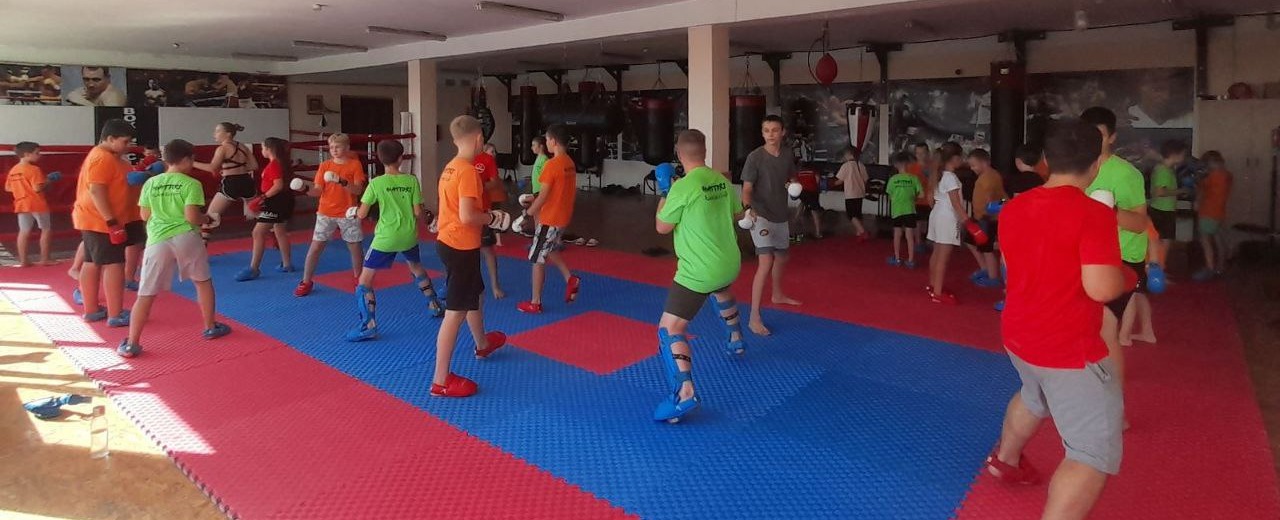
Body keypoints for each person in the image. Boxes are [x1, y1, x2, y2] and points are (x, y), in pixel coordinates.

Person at [987, 119, 1131, 520]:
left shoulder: (1015, 207)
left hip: (1019, 335)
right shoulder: (1093, 214)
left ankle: (1006, 459)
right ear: (1097, 164)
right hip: (1068, 349)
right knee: (1089, 454)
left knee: (1035, 394)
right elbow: (1102, 289)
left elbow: (1015, 265)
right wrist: (1124, 275)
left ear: (1046, 161)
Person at [651, 129, 745, 423]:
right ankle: (736, 338)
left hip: (699, 271)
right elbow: (736, 215)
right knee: (721, 288)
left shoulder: (682, 187)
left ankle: (685, 392)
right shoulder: (722, 181)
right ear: (704, 151)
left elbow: (662, 227)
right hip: (729, 262)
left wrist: (665, 192)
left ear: (679, 155)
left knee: (669, 329)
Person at [119, 139, 232, 357]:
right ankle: (210, 327)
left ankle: (132, 343)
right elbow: (192, 217)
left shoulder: (151, 183)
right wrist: (207, 218)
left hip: (157, 239)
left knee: (146, 292)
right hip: (186, 236)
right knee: (202, 282)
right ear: (187, 159)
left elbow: (144, 215)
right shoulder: (191, 184)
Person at [432, 115, 511, 397]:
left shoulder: (450, 167)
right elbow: (467, 216)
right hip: (460, 246)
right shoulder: (466, 172)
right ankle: (440, 380)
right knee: (455, 312)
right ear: (479, 139)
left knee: (475, 294)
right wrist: (493, 217)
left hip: (451, 241)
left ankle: (482, 344)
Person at [1081, 106, 1150, 403]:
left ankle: (1114, 407)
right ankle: (1089, 390)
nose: (1092, 141)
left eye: (1099, 135)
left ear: (1112, 137)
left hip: (1122, 259)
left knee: (1105, 328)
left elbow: (1140, 223)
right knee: (1085, 326)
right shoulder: (1077, 169)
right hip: (1086, 256)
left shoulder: (1126, 174)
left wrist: (1110, 212)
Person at [344, 140, 446, 341]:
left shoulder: (376, 183)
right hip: (409, 235)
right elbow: (418, 212)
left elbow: (362, 214)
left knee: (364, 281)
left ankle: (368, 326)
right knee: (416, 267)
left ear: (380, 159)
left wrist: (353, 211)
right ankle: (434, 304)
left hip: (386, 238)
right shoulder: (411, 180)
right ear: (401, 159)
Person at [72, 119, 138, 326]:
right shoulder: (102, 158)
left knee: (92, 262)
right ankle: (115, 314)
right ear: (110, 139)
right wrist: (111, 221)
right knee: (114, 264)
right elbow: (96, 190)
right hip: (102, 220)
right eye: (125, 142)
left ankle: (91, 310)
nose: (128, 146)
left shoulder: (110, 157)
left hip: (94, 218)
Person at [741, 115, 802, 335]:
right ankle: (754, 317)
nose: (771, 134)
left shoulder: (787, 155)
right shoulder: (755, 157)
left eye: (775, 130)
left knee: (782, 257)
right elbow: (747, 188)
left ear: (783, 132)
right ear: (762, 133)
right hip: (760, 215)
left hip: (780, 214)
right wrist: (748, 208)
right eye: (766, 130)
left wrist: (794, 186)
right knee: (766, 261)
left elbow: (791, 178)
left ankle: (777, 294)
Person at [517, 124, 581, 314]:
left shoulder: (552, 165)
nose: (546, 143)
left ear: (553, 141)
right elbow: (556, 192)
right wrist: (533, 199)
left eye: (546, 139)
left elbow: (544, 196)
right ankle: (570, 278)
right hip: (562, 216)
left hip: (550, 218)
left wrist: (526, 215)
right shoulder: (569, 163)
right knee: (549, 248)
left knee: (537, 259)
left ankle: (535, 302)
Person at [294, 133, 366, 297]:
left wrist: (341, 181)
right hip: (325, 212)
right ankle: (306, 281)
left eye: (337, 146)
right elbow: (317, 190)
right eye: (331, 147)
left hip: (348, 213)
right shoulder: (325, 165)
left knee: (354, 247)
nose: (334, 150)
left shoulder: (354, 165)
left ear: (347, 148)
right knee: (316, 247)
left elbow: (357, 190)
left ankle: (360, 279)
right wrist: (304, 188)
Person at [235, 137, 295, 281]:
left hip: (275, 202)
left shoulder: (274, 165)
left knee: (257, 232)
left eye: (263, 148)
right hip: (283, 200)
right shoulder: (280, 163)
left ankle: (254, 268)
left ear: (269, 149)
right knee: (280, 231)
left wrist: (262, 197)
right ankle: (287, 264)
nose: (262, 150)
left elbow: (278, 185)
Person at [194, 122, 259, 241]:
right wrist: (234, 168)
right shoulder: (242, 146)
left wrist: (192, 163)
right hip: (246, 181)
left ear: (228, 134)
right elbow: (254, 166)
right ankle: (277, 235)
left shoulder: (222, 149)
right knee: (261, 214)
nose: (214, 134)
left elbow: (212, 168)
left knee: (211, 216)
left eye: (218, 131)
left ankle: (203, 245)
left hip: (231, 183)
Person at [927, 142, 968, 305]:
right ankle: (937, 293)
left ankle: (933, 285)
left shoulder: (939, 175)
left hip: (937, 214)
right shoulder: (950, 177)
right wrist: (967, 221)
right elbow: (956, 203)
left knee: (937, 253)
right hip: (947, 217)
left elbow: (930, 199)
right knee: (943, 257)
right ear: (955, 158)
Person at [5, 141, 58, 266]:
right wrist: (48, 180)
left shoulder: (13, 170)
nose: (39, 155)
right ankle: (45, 259)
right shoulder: (34, 169)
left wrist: (21, 189)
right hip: (36, 203)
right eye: (37, 153)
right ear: (27, 154)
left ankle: (24, 260)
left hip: (21, 203)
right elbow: (37, 188)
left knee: (23, 231)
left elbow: (8, 188)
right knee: (45, 229)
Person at [965, 149, 1008, 287]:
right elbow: (1002, 197)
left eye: (974, 165)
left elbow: (993, 200)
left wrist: (991, 211)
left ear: (984, 163)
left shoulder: (989, 178)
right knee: (970, 241)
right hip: (982, 217)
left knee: (986, 249)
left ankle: (993, 276)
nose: (972, 169)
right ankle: (986, 269)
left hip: (987, 219)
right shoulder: (991, 175)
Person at [1193, 151, 1232, 281]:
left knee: (1205, 241)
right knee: (1219, 240)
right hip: (1220, 212)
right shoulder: (1227, 176)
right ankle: (1220, 267)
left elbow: (1201, 192)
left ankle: (1209, 268)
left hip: (1208, 212)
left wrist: (1197, 200)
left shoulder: (1210, 177)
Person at [1149, 140, 1185, 274]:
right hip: (1162, 211)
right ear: (1174, 155)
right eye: (1182, 154)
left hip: (1163, 210)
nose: (1183, 157)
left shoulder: (1165, 169)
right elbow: (1160, 192)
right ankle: (1159, 272)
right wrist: (1180, 191)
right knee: (1163, 243)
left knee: (1160, 243)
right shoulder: (1163, 170)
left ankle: (1158, 271)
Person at [475, 142, 506, 299]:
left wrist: (478, 186)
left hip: (483, 209)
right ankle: (456, 284)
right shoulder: (461, 160)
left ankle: (495, 285)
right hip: (464, 211)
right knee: (462, 251)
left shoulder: (487, 159)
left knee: (487, 249)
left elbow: (495, 182)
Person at [885, 152, 923, 268]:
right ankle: (910, 260)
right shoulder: (914, 178)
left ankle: (897, 259)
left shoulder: (893, 179)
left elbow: (890, 196)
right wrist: (912, 198)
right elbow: (921, 195)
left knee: (897, 234)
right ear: (908, 164)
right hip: (910, 210)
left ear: (896, 165)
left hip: (897, 210)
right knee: (909, 235)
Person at [830, 145, 870, 240]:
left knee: (851, 215)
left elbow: (840, 181)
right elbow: (865, 179)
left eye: (844, 155)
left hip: (850, 194)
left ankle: (862, 232)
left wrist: (831, 183)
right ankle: (859, 232)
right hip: (860, 193)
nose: (844, 157)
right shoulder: (860, 165)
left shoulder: (845, 166)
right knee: (858, 213)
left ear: (848, 154)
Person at [907, 142, 934, 251]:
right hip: (917, 199)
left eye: (923, 153)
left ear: (927, 153)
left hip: (930, 199)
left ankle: (929, 241)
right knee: (918, 222)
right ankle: (918, 242)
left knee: (929, 222)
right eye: (918, 153)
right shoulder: (911, 168)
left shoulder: (932, 167)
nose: (920, 156)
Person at [792, 166, 823, 239]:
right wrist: (817, 189)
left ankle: (795, 220)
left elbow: (794, 181)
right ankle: (818, 232)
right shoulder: (814, 172)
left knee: (803, 202)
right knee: (814, 211)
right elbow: (818, 180)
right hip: (812, 191)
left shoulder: (799, 172)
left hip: (802, 191)